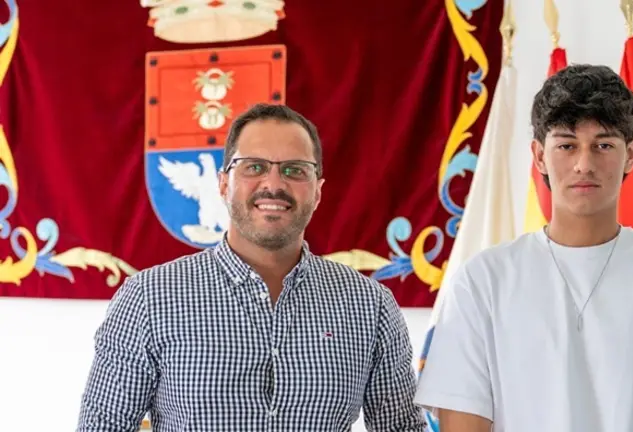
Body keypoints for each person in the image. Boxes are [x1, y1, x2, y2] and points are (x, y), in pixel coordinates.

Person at [413, 64, 633, 431]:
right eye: (566, 145)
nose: (584, 164)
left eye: (603, 145)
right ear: (539, 156)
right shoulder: (483, 282)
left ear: (630, 153)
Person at [76, 103, 426, 431]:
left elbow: (402, 428)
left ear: (317, 192)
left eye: (294, 170)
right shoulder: (148, 299)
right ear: (224, 183)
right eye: (254, 167)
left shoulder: (371, 306)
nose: (274, 185)